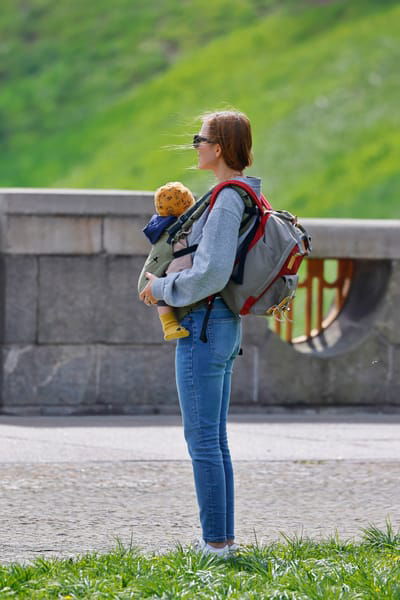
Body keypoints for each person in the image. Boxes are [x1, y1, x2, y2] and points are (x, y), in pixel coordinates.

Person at [139, 109, 261, 556]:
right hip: (219, 324)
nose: (195, 145)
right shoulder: (234, 194)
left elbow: (211, 273)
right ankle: (222, 540)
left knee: (203, 438)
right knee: (213, 437)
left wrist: (162, 287)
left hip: (202, 324)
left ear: (221, 147)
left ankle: (215, 545)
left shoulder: (228, 198)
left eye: (201, 137)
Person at [141, 181, 195, 341]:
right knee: (162, 290)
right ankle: (169, 325)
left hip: (173, 272)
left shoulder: (160, 225)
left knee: (162, 290)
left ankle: (169, 325)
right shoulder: (177, 228)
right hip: (175, 273)